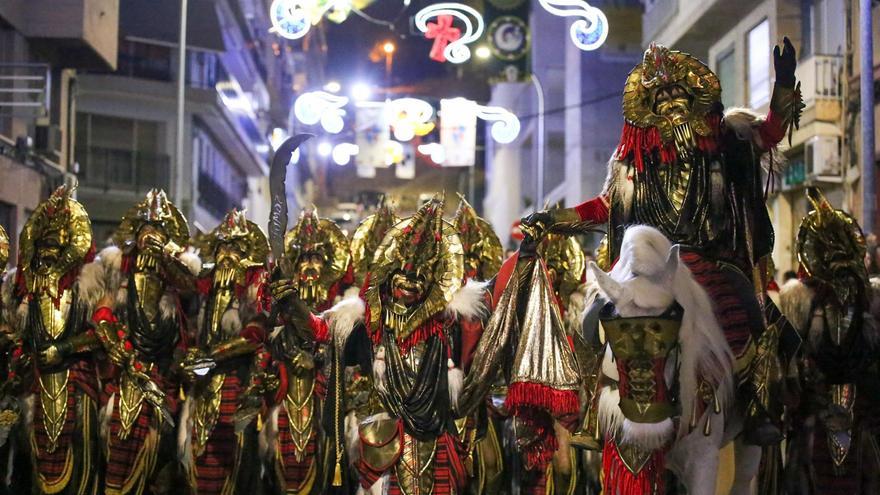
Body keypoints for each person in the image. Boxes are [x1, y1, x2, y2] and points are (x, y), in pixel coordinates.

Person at [522, 38, 805, 447]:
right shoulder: (632, 162)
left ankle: (756, 404)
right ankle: (591, 410)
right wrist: (553, 219)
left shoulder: (726, 143)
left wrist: (784, 83)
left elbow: (771, 133)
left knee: (753, 312)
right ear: (649, 111)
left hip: (712, 261)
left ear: (696, 101)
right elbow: (604, 207)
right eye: (662, 98)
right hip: (646, 264)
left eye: (679, 96)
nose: (673, 105)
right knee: (589, 320)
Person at [92, 189, 201, 495]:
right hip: (125, 371)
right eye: (145, 229)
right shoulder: (120, 270)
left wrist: (165, 255)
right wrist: (114, 344)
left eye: (157, 230)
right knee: (114, 434)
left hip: (164, 374)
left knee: (164, 449)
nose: (149, 236)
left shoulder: (176, 278)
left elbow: (191, 286)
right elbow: (102, 313)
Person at [779, 187, 880, 494]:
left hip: (862, 410)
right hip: (815, 405)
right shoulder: (799, 298)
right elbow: (789, 359)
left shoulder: (871, 296)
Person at [4, 186, 104, 494]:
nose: (48, 252)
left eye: (56, 245)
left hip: (76, 377)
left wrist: (63, 348)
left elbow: (102, 334)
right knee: (28, 456)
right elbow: (18, 336)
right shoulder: (25, 292)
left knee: (83, 444)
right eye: (44, 244)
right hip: (36, 379)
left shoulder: (88, 286)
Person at [178, 209, 269, 494]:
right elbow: (194, 335)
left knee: (235, 460)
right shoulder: (205, 291)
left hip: (236, 379)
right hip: (203, 381)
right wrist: (191, 362)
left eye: (235, 249)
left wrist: (210, 357)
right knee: (196, 451)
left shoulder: (254, 290)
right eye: (222, 248)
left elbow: (254, 335)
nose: (227, 255)